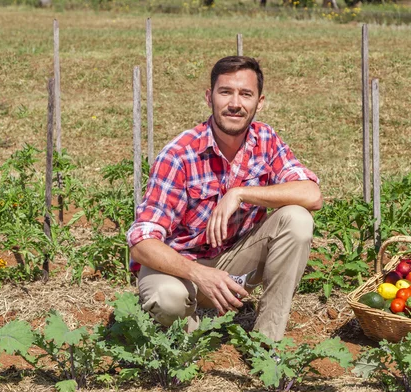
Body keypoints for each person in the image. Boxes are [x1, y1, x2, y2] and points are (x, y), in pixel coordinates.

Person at [126, 56, 322, 341]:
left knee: (297, 219)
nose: (235, 103)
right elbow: (141, 243)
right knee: (168, 300)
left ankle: (267, 342)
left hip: (234, 263)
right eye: (225, 92)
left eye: (245, 94)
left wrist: (240, 193)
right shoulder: (180, 155)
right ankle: (191, 336)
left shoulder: (265, 140)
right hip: (179, 269)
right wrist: (199, 274)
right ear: (209, 97)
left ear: (260, 102)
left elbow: (311, 194)